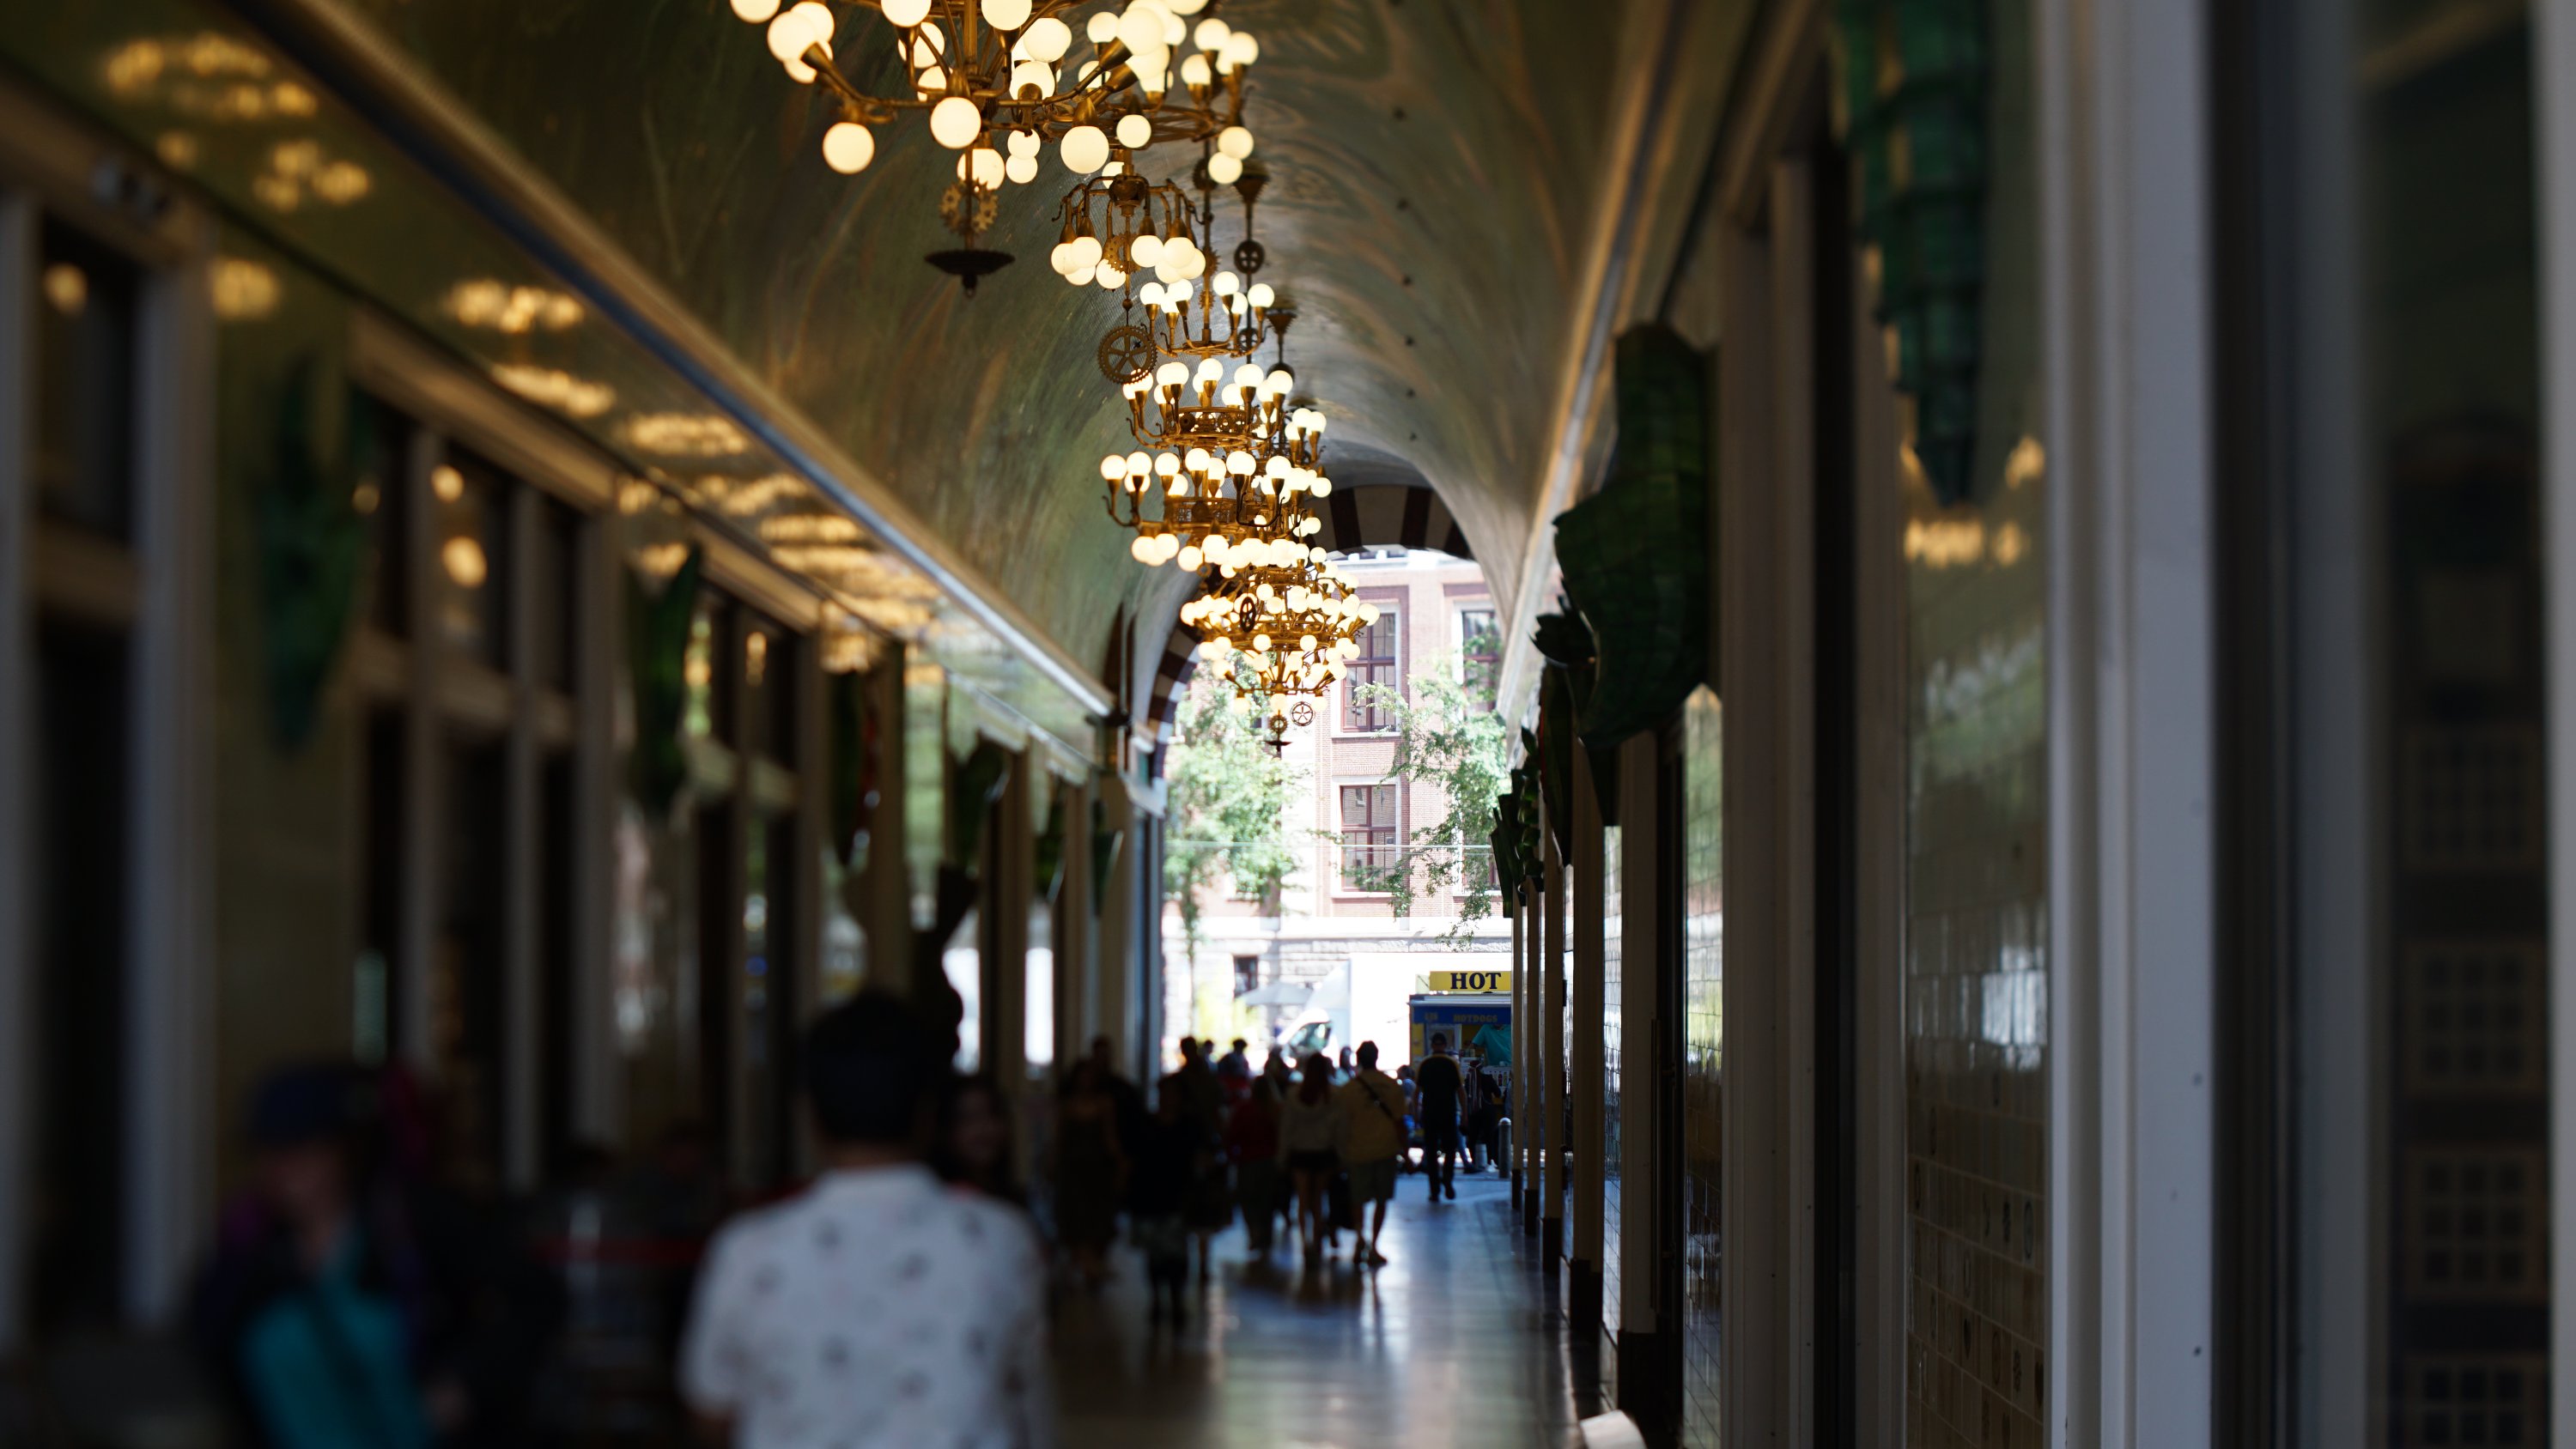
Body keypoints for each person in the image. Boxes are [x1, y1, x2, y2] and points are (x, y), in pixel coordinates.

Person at [680, 992, 1053, 1448]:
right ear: (928, 1111)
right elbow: (1022, 1394)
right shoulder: (1000, 1240)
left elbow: (713, 1409)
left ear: (809, 1112)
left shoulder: (750, 1249)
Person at [191, 1062, 563, 1449]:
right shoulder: (252, 1243)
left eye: (302, 1150)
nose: (284, 1171)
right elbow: (211, 1337)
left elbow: (534, 1297)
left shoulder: (408, 1224)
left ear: (344, 1151)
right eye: (270, 1153)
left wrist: (467, 1384)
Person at [1127, 1090, 1198, 1328]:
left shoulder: (1181, 1126)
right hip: (1154, 1197)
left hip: (1172, 1197)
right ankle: (1161, 1299)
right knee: (1159, 1254)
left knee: (1171, 1254)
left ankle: (1171, 1300)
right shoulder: (1154, 1125)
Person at [1052, 1058, 1126, 1289]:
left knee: (1096, 1219)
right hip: (1073, 1169)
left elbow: (1109, 1136)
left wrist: (1119, 1163)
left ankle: (1089, 1267)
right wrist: (1052, 1163)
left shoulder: (1104, 1104)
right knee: (1076, 1219)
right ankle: (1083, 1266)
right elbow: (1059, 1138)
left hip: (1096, 1169)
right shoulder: (1067, 1106)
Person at [1336, 1042, 1406, 1267]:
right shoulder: (1391, 1086)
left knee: (1358, 1198)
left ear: (1358, 1059)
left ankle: (1359, 1238)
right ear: (1377, 1058)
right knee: (1381, 1199)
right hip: (1385, 1150)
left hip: (1357, 1151)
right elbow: (1399, 1123)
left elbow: (1342, 1126)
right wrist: (1406, 1153)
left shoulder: (1348, 1090)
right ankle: (1375, 1245)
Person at [1275, 1054, 1346, 1267]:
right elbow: (1339, 1129)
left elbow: (1287, 1128)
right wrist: (1342, 1155)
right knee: (1318, 1200)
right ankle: (1317, 1241)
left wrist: (1282, 1155)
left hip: (1300, 1152)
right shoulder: (1334, 1094)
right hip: (1324, 1152)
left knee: (1303, 1199)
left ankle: (1305, 1242)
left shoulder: (1294, 1094)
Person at [933, 1073, 1023, 1204]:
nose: (985, 1128)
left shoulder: (1011, 1198)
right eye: (970, 1118)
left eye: (993, 1115)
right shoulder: (940, 1199)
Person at [1224, 1078, 1284, 1258]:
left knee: (1248, 1200)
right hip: (1270, 1161)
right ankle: (1265, 1238)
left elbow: (1232, 1134)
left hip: (1247, 1161)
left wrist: (1232, 1156)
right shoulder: (1276, 1110)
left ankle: (1254, 1232)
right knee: (1267, 1202)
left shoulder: (1244, 1109)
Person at [1414, 1033, 1467, 1200]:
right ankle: (1447, 1180)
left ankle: (1434, 1189)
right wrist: (1465, 1114)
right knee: (1450, 1149)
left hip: (1429, 1114)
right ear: (1445, 1045)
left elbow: (1417, 1092)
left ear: (1432, 1045)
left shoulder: (1424, 1064)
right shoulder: (1452, 1064)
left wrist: (1416, 1113)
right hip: (1448, 1113)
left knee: (1430, 1152)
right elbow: (1461, 1091)